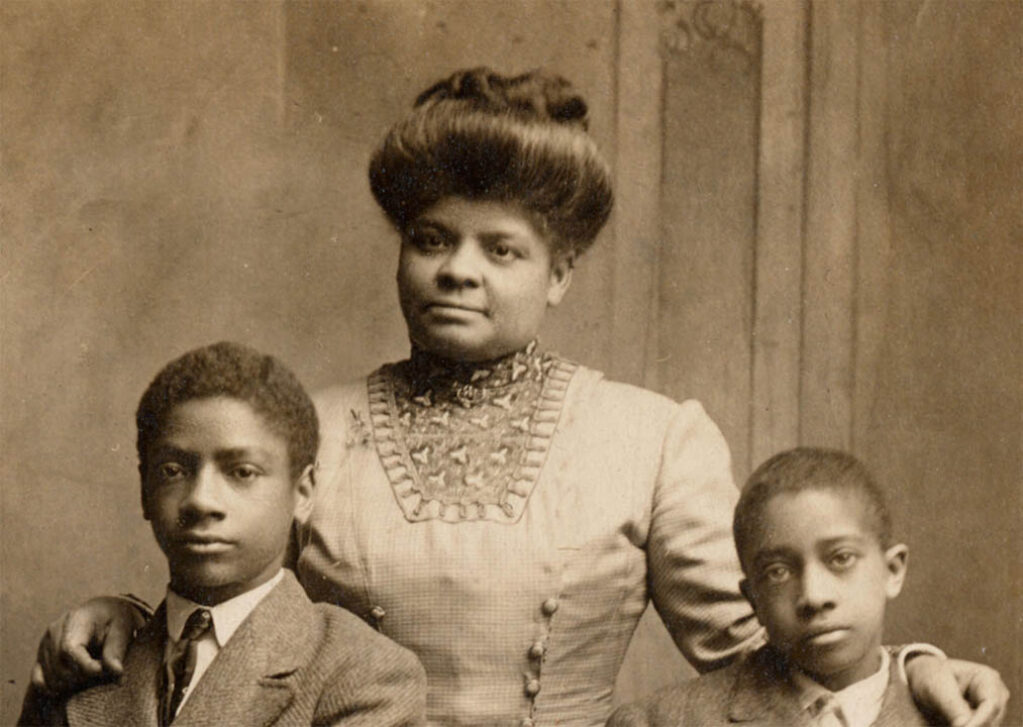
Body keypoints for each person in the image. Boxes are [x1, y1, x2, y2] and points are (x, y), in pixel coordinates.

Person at [30, 69, 1008, 726]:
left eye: (502, 249)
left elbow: (778, 649)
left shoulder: (650, 438)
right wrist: (114, 611)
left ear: (560, 273)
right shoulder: (309, 428)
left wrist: (909, 667)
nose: (459, 271)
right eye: (431, 239)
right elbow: (213, 597)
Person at [20, 342, 427, 726]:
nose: (201, 501)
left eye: (241, 473)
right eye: (173, 471)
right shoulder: (86, 657)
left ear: (302, 493)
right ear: (144, 490)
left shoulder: (362, 674)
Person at [608, 447, 946, 726]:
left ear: (893, 570)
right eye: (777, 572)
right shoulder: (658, 723)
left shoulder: (959, 714)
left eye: (841, 558)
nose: (814, 596)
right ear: (752, 600)